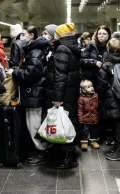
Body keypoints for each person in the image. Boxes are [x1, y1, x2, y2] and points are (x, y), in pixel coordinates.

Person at [6, 26, 49, 165]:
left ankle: (41, 151)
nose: (21, 37)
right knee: (34, 123)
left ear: (31, 35)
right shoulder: (32, 50)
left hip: (34, 92)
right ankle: (40, 149)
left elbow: (32, 73)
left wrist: (15, 72)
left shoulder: (35, 51)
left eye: (24, 34)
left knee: (34, 124)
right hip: (33, 92)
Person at [45, 23, 81, 169]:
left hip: (64, 94)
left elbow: (60, 76)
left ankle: (68, 157)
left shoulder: (62, 49)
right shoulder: (72, 47)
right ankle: (67, 153)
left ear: (60, 35)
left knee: (64, 124)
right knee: (69, 121)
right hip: (71, 92)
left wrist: (58, 97)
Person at [78, 80, 100, 151]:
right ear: (84, 90)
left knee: (94, 130)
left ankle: (93, 141)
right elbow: (80, 110)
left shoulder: (96, 96)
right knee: (85, 130)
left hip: (94, 116)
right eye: (89, 87)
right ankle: (84, 142)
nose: (91, 88)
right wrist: (80, 118)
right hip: (85, 117)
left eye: (92, 86)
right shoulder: (81, 99)